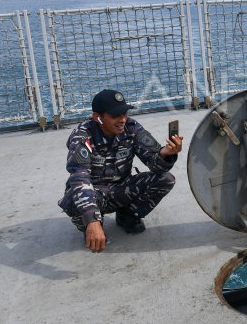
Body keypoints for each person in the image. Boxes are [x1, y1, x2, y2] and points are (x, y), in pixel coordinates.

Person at [57, 89, 183, 252]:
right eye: (115, 116)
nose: (122, 120)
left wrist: (166, 154)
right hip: (94, 195)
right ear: (98, 117)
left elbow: (155, 164)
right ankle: (93, 224)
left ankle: (127, 215)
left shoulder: (131, 128)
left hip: (122, 189)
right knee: (74, 197)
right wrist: (92, 219)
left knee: (166, 179)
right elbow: (79, 177)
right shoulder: (82, 135)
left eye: (124, 113)